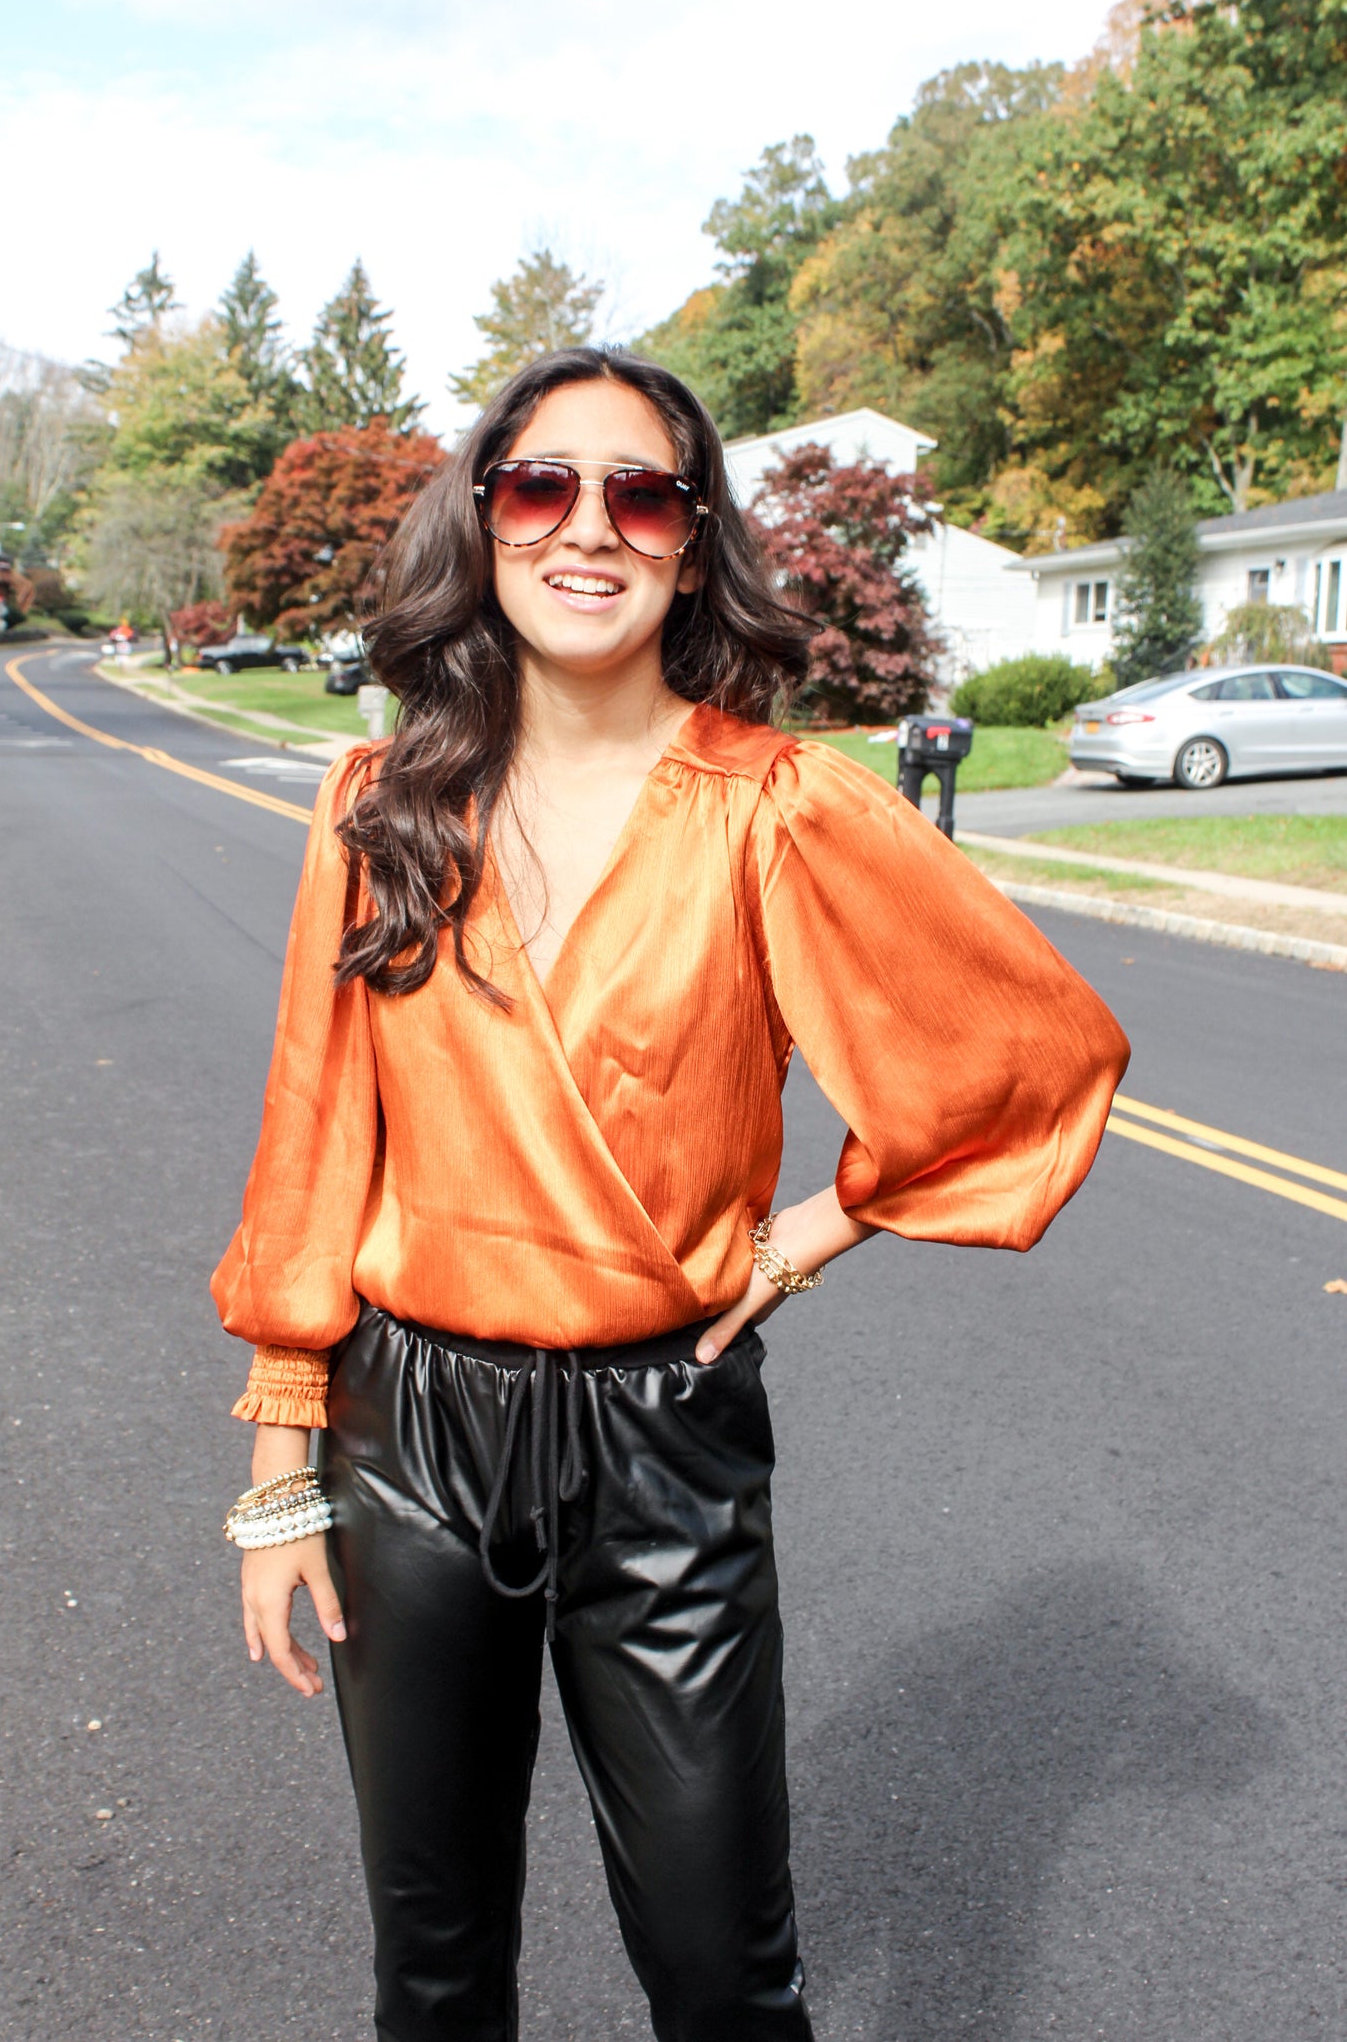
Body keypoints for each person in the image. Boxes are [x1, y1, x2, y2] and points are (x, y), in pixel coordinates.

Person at [213, 347, 1129, 2041]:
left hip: (663, 1444)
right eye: (540, 485)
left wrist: (807, 1235)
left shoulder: (778, 808)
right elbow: (312, 1135)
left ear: (693, 544)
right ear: (483, 525)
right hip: (405, 1438)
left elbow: (1029, 1052)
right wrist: (281, 1465)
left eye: (640, 493)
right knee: (432, 1972)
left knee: (722, 1977)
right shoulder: (379, 803)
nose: (588, 528)